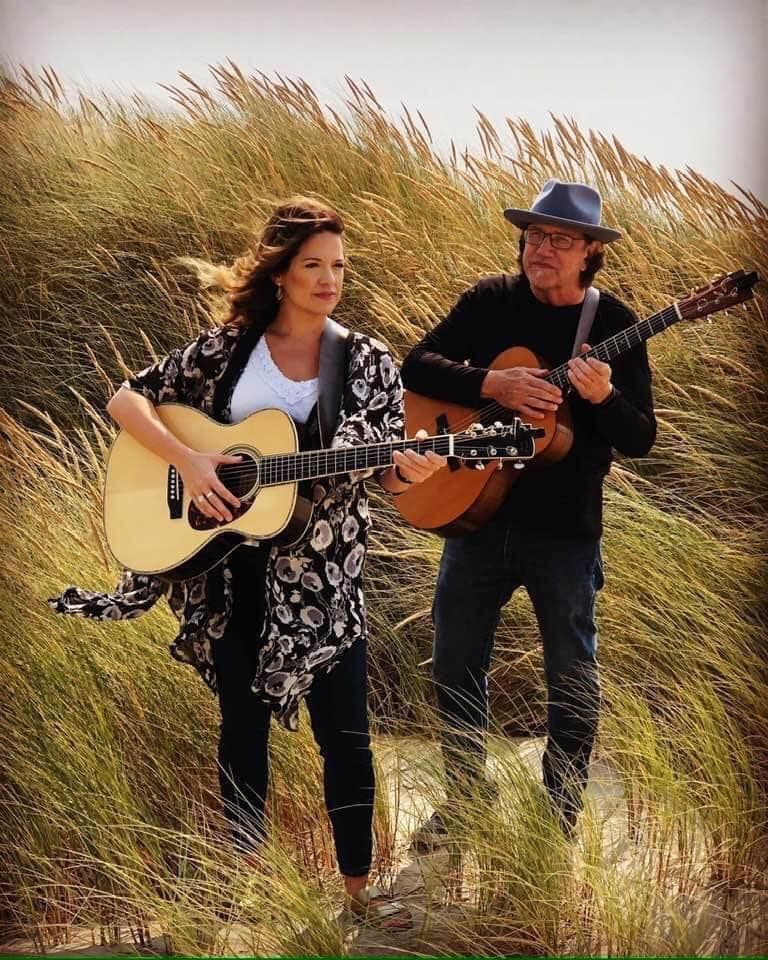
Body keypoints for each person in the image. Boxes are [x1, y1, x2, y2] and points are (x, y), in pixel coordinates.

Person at [50, 196, 445, 927]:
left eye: (339, 267)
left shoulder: (364, 360)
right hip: (231, 577)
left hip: (325, 582)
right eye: (314, 265)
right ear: (281, 270)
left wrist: (409, 472)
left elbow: (386, 471)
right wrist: (193, 462)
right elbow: (127, 399)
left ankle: (357, 896)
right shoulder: (229, 347)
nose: (330, 280)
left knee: (347, 737)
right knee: (241, 733)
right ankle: (246, 888)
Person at [400, 179, 656, 844]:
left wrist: (601, 400)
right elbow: (415, 365)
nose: (540, 248)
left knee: (571, 675)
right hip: (476, 516)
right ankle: (465, 798)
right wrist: (491, 383)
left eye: (559, 240)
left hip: (565, 532)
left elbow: (641, 438)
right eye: (534, 235)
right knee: (455, 661)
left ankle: (560, 816)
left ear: (589, 254)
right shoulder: (490, 301)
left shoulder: (614, 325)